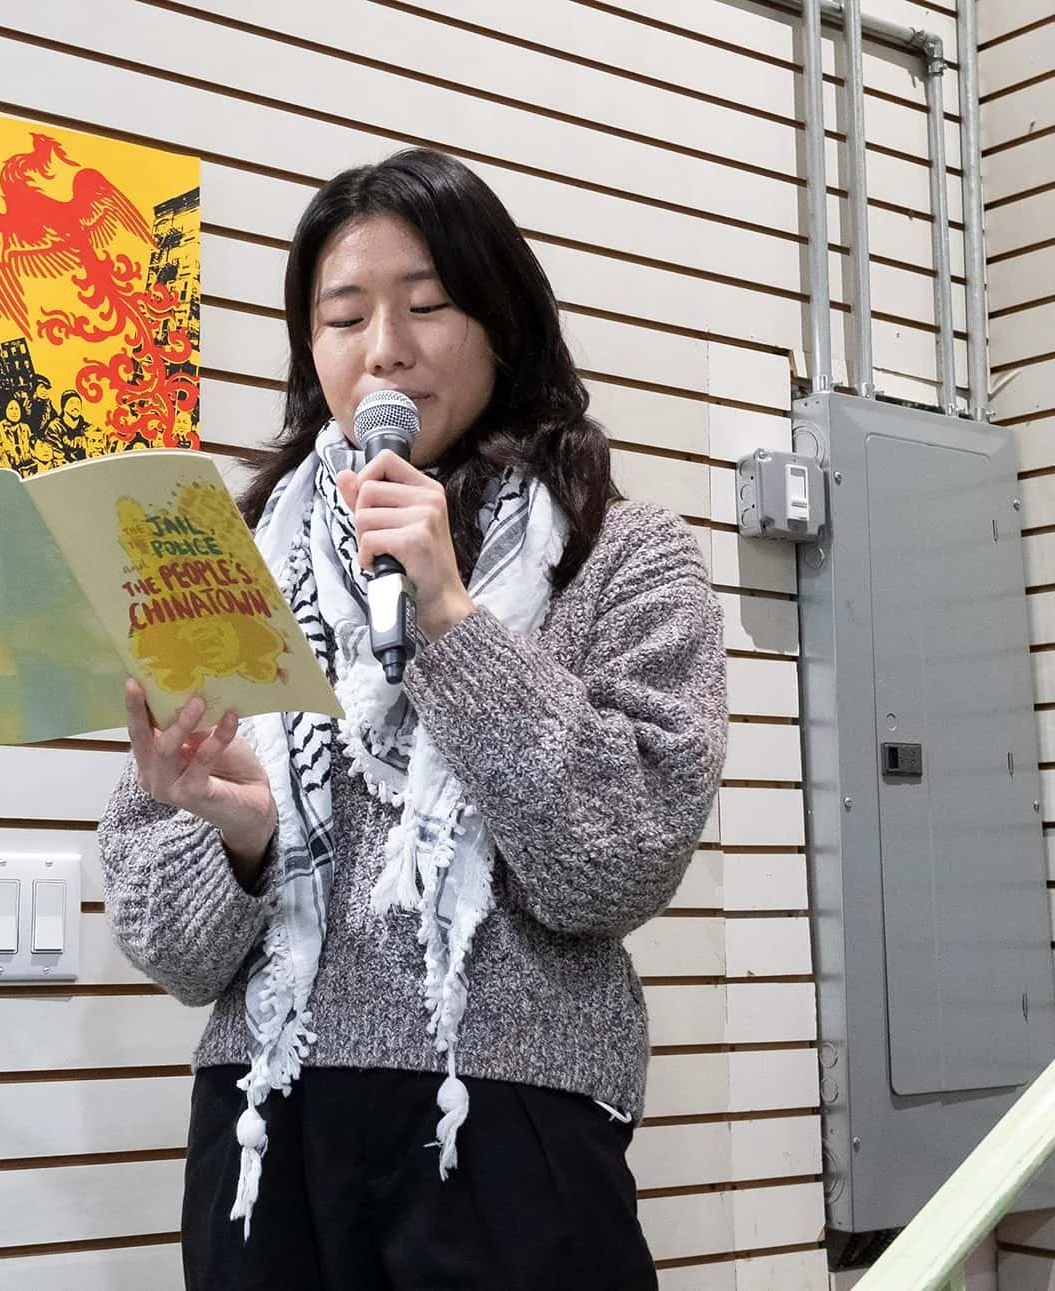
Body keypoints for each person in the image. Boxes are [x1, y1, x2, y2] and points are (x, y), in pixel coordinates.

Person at [97, 148, 727, 1291]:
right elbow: (169, 945)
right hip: (263, 1125)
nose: (382, 346)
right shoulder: (233, 566)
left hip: (511, 1128)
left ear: (504, 323)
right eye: (342, 317)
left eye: (426, 305)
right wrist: (237, 837)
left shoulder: (622, 556)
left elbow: (616, 864)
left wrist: (448, 617)